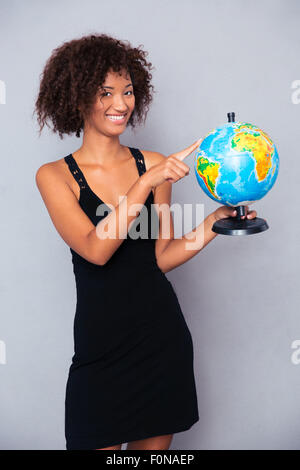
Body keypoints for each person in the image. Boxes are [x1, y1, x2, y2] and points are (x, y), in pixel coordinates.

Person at [34, 33, 257, 451]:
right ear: (78, 96)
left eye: (128, 91)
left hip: (159, 341)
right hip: (99, 348)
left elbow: (159, 258)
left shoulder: (151, 164)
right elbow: (96, 250)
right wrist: (145, 185)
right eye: (105, 93)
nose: (120, 104)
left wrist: (215, 221)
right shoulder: (54, 176)